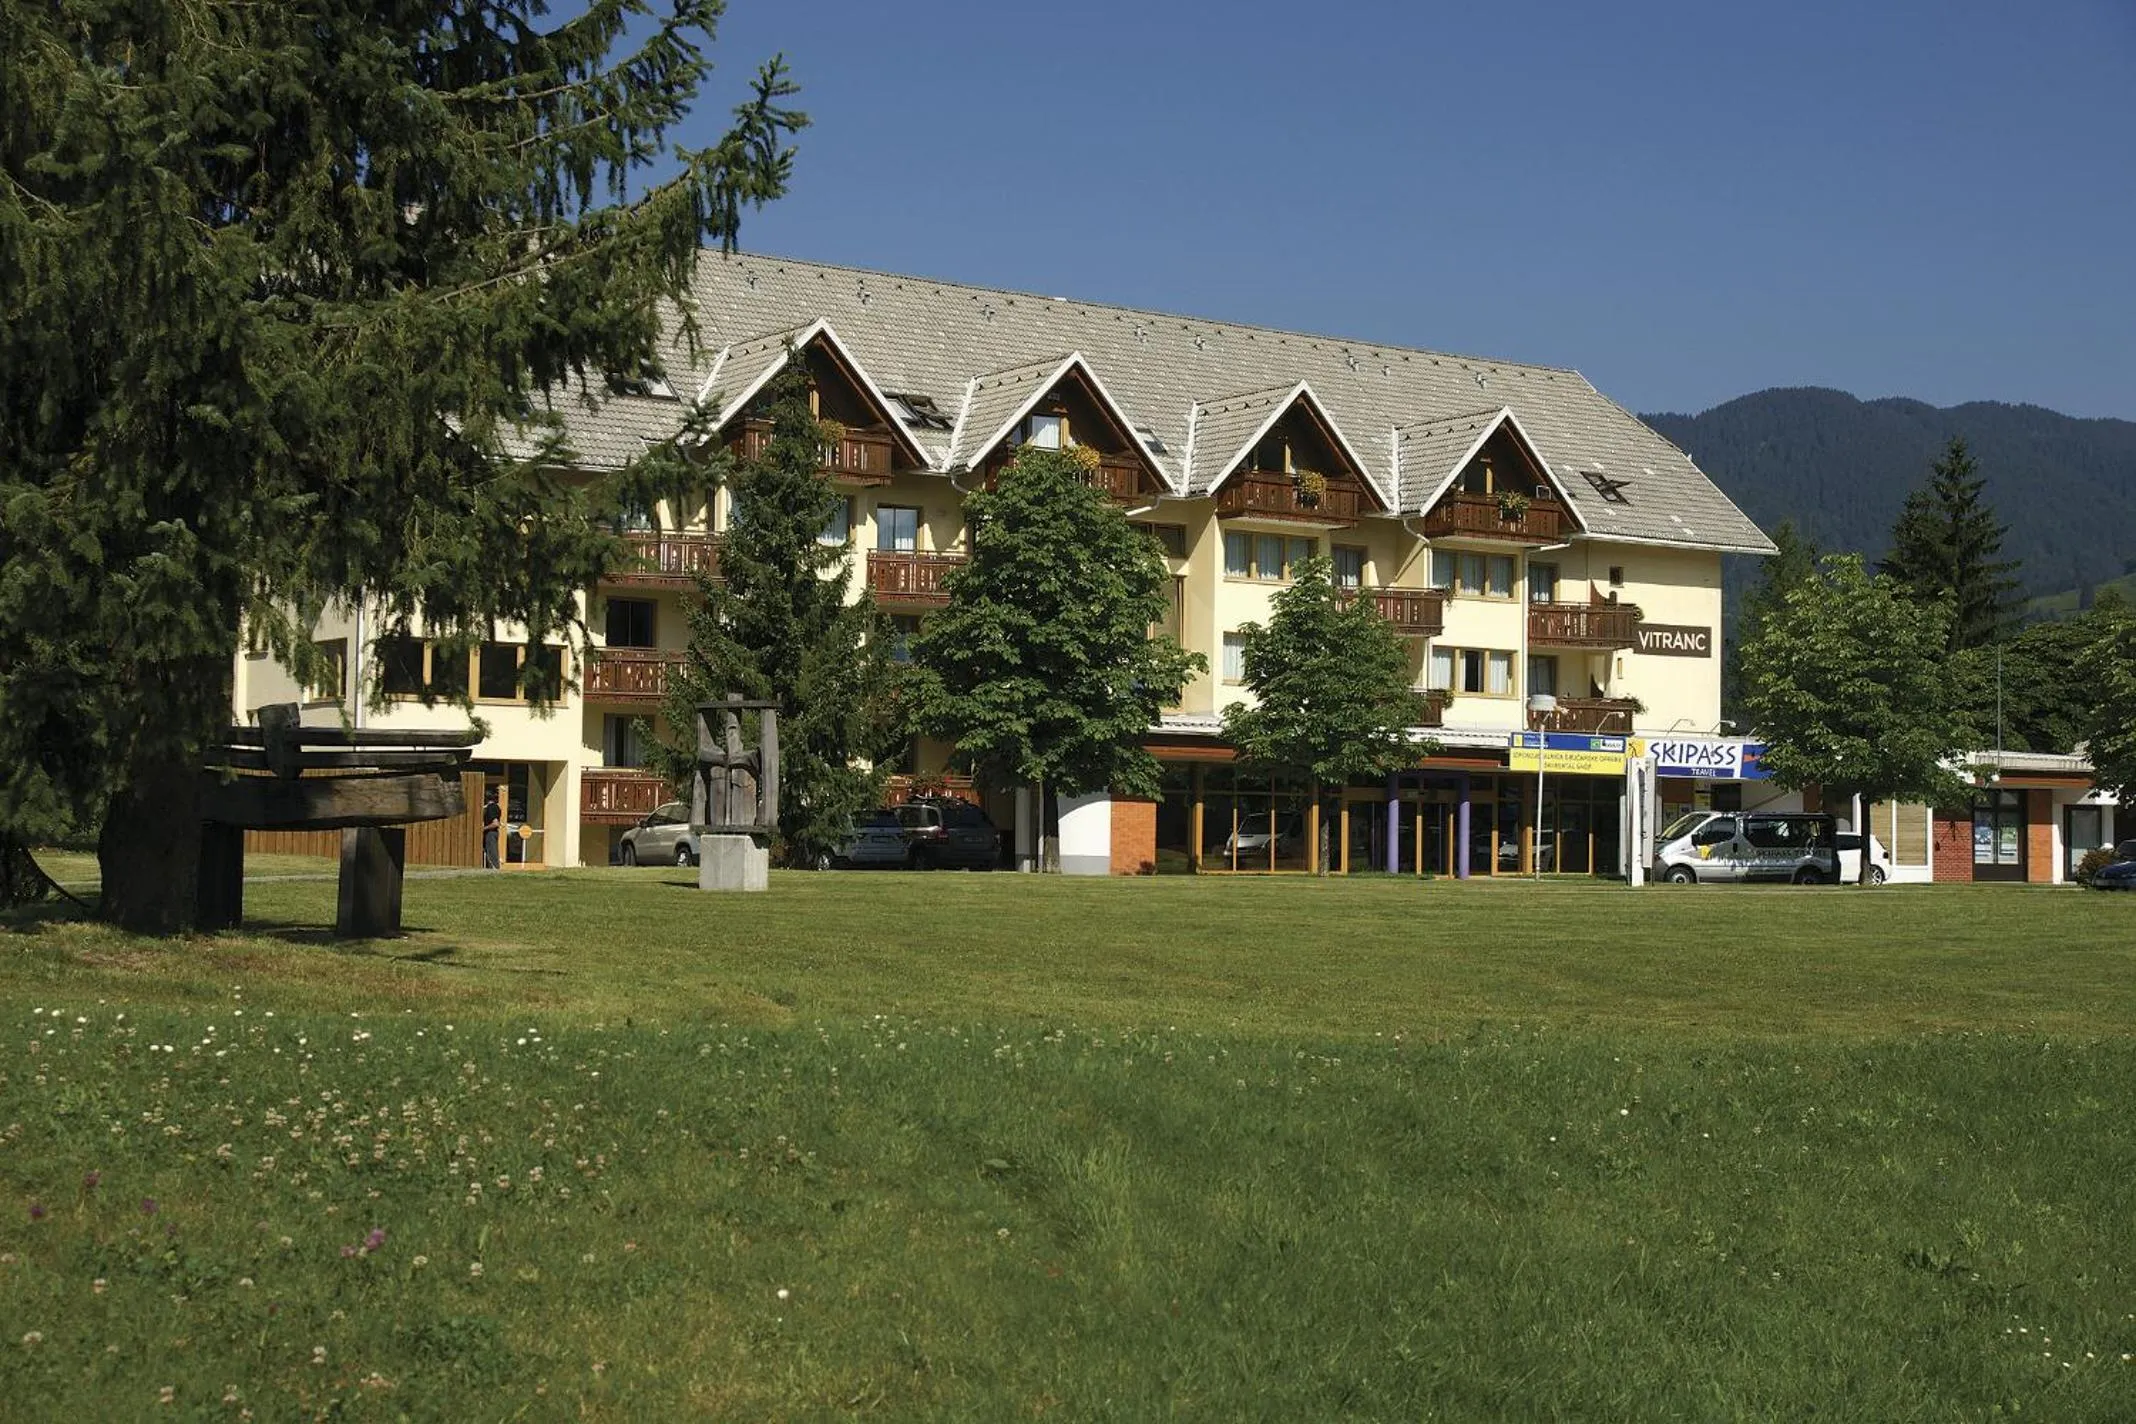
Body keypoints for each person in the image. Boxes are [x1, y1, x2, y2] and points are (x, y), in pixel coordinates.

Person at [482, 789, 502, 870]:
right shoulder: (497, 807)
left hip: (490, 833)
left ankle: (494, 870)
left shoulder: (490, 808)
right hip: (494, 833)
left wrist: (483, 828)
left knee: (492, 854)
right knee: (492, 853)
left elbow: (495, 823)